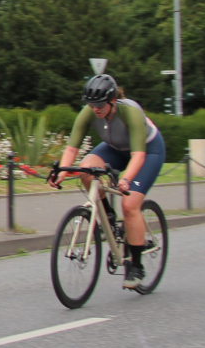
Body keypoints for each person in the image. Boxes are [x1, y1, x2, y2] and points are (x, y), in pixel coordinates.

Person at [49, 73, 165, 289]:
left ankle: (136, 267)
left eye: (100, 104)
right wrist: (62, 172)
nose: (95, 109)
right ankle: (108, 216)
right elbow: (72, 148)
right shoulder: (89, 112)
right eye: (91, 104)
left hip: (148, 151)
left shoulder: (130, 111)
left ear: (112, 100)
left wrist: (126, 179)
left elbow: (138, 156)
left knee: (129, 205)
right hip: (115, 149)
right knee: (85, 168)